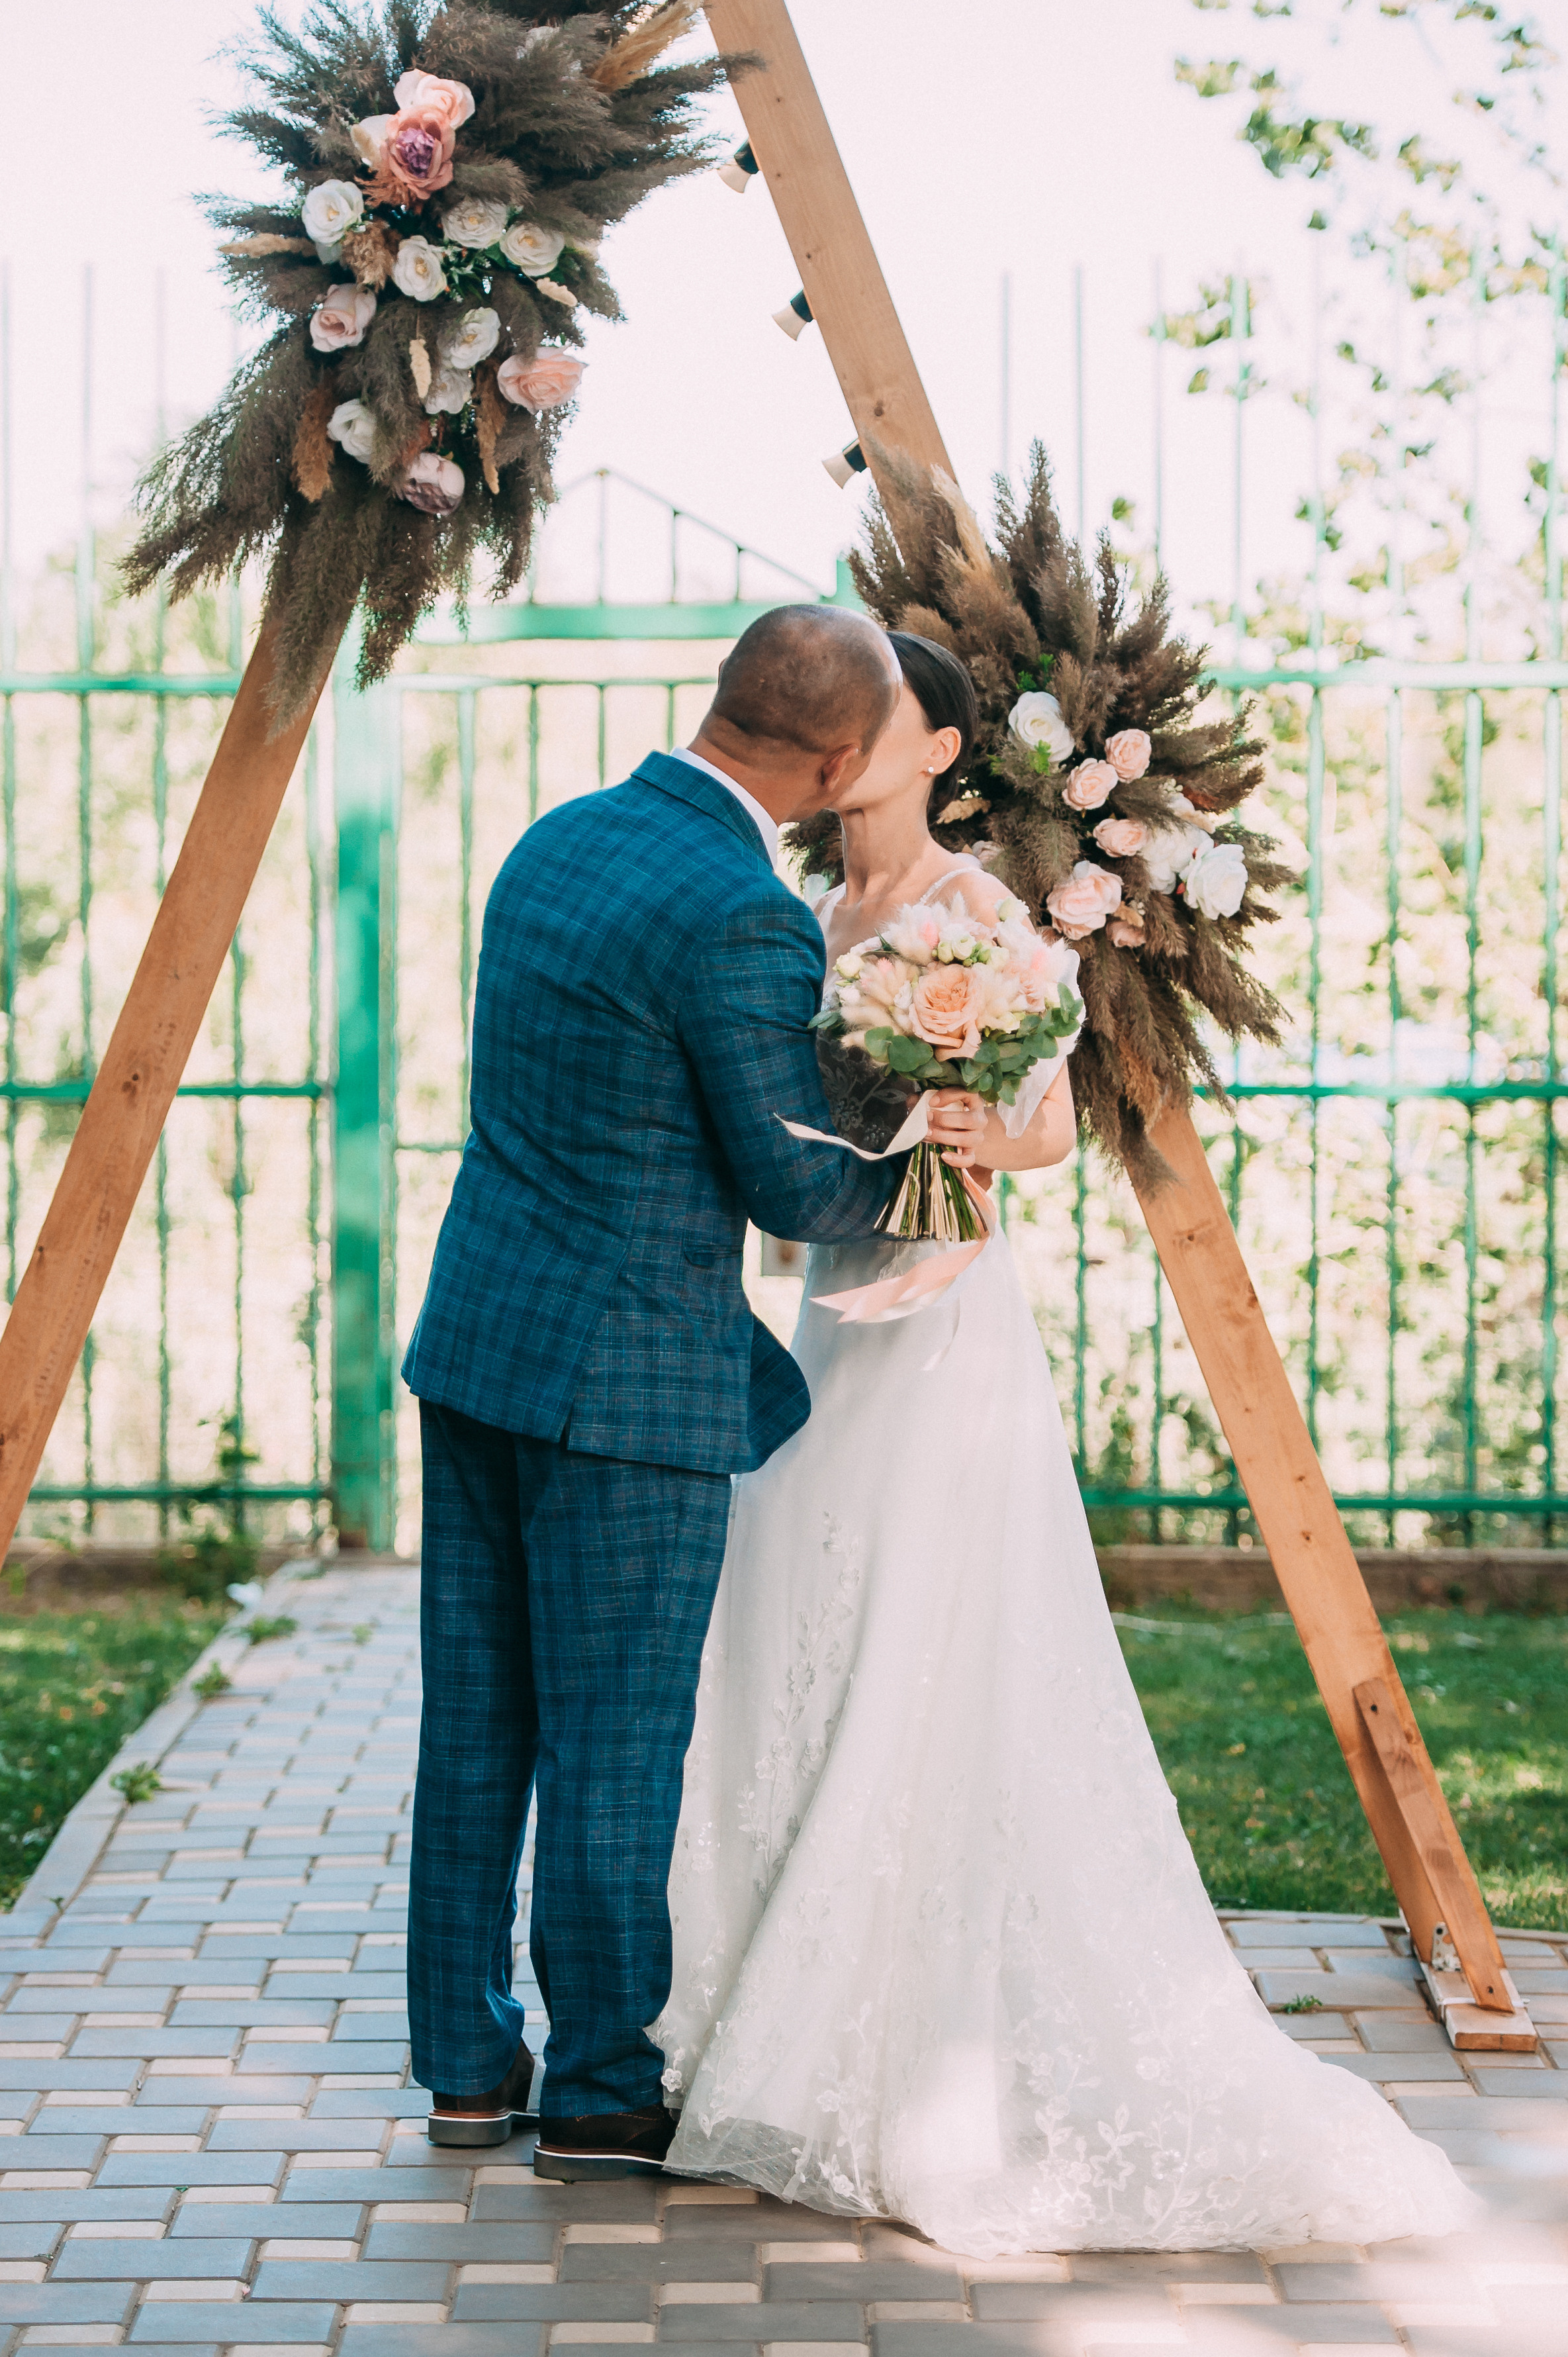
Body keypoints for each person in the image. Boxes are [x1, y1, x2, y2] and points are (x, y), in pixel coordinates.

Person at [655, 632, 1480, 2256]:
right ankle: (745, 1994)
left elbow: (1045, 1120)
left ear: (933, 750)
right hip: (835, 1307)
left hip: (944, 1329)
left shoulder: (980, 911)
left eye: (893, 708)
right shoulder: (804, 919)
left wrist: (974, 1121)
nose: (861, 730)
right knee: (791, 1621)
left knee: (923, 1634)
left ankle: (899, 2033)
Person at [400, 604, 982, 2179]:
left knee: (478, 1723)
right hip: (628, 1386)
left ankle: (464, 2065)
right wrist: (934, 1157)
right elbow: (793, 1184)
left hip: (480, 1341)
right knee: (615, 1741)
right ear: (840, 762)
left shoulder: (557, 840)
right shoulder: (743, 911)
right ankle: (600, 2086)